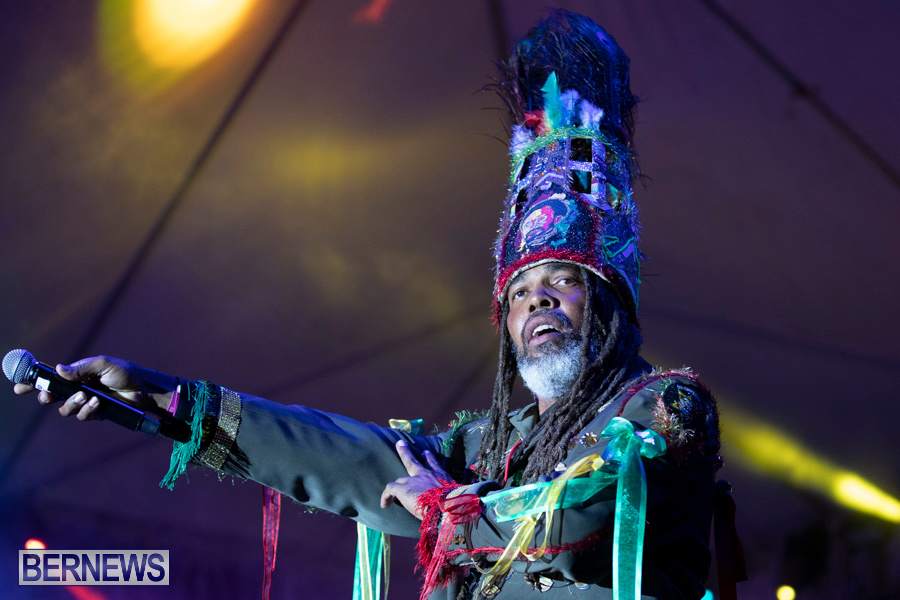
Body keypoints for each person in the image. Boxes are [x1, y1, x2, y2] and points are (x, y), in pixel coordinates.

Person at [13, 10, 725, 600]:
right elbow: (347, 459)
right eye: (516, 292)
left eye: (561, 279)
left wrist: (445, 507)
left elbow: (582, 520)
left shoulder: (665, 410)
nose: (534, 299)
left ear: (607, 299)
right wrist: (163, 400)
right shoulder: (487, 447)